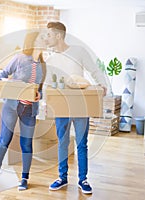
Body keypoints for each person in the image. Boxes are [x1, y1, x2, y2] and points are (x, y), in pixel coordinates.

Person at [45, 21, 107, 194]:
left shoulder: (78, 51)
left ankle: (83, 179)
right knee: (62, 142)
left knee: (81, 143)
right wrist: (45, 103)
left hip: (80, 105)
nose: (46, 38)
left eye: (49, 34)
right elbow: (48, 85)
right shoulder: (50, 59)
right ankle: (62, 177)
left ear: (58, 35)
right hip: (61, 107)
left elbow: (94, 69)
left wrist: (102, 85)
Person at [0, 31, 46, 191]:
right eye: (40, 39)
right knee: (4, 139)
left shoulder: (43, 65)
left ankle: (24, 178)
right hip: (12, 106)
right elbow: (2, 75)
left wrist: (39, 95)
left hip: (29, 108)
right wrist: (10, 85)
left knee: (27, 144)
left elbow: (41, 89)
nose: (43, 42)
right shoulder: (19, 58)